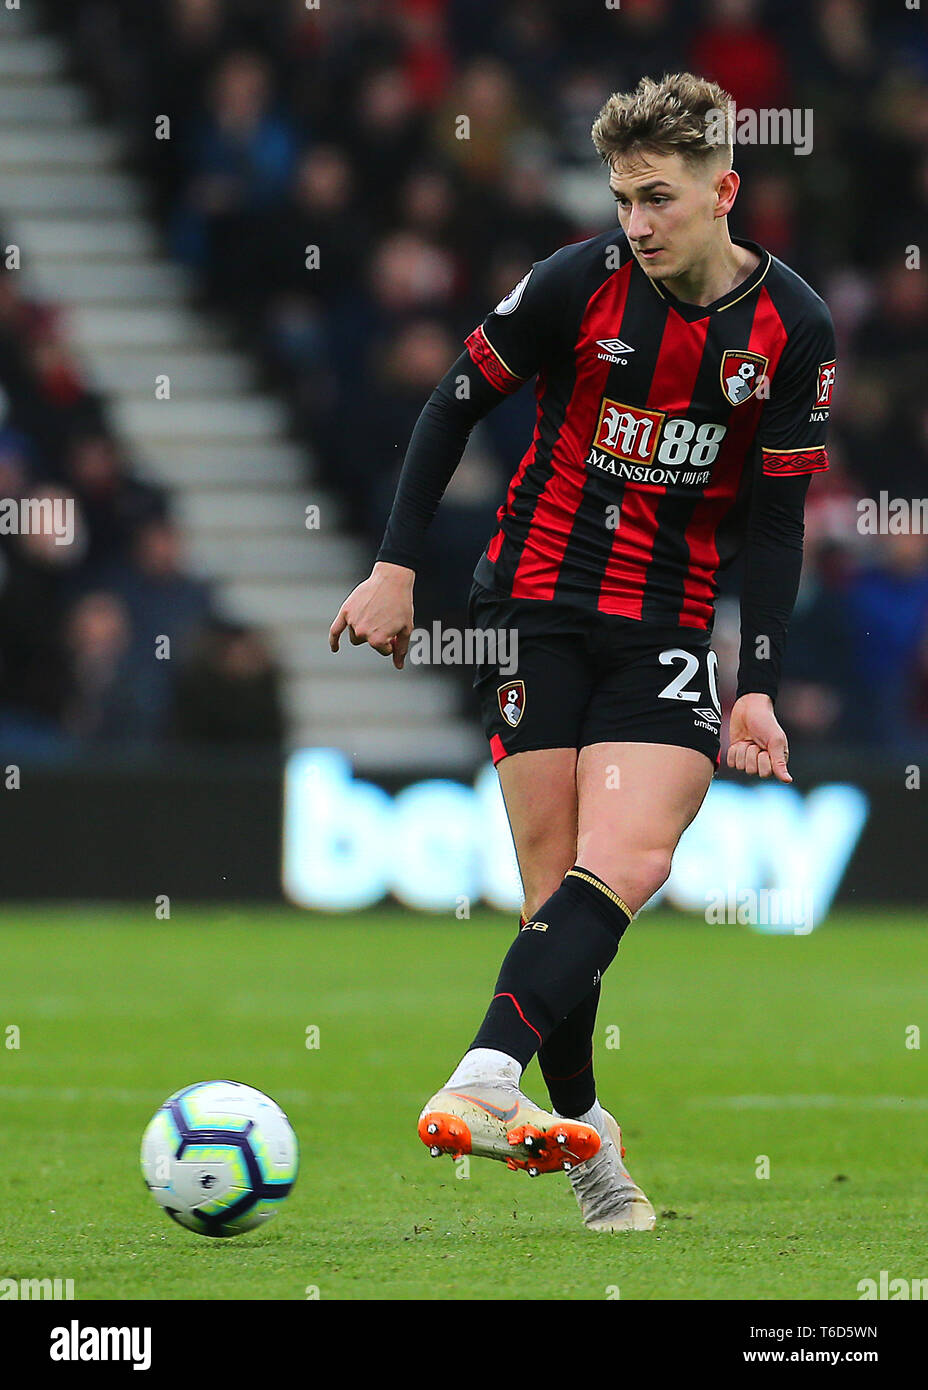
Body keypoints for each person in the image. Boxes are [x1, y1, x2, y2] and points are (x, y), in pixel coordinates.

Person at [329, 73, 835, 1233]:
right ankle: (594, 1147)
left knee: (634, 857)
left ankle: (482, 1072)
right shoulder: (578, 283)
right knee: (554, 898)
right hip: (538, 599)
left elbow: (773, 518)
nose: (638, 225)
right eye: (622, 200)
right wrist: (397, 565)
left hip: (664, 622)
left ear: (724, 190)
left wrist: (754, 681)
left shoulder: (791, 329)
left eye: (658, 199)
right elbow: (452, 402)